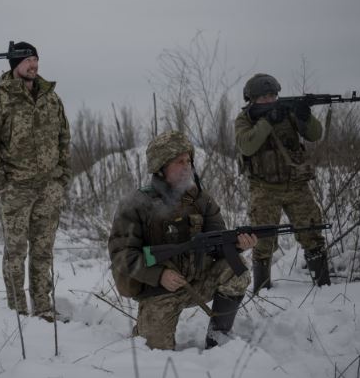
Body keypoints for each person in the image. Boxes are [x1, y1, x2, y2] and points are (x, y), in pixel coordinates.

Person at [108, 131, 255, 350]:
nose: (187, 166)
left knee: (237, 268)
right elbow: (122, 255)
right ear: (161, 166)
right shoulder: (135, 204)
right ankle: (144, 326)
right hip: (158, 291)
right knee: (154, 354)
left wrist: (237, 245)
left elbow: (218, 244)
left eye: (189, 160)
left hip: (196, 282)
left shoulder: (202, 200)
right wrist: (159, 276)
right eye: (180, 161)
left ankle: (218, 338)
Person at [0, 42, 71, 322]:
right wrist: (0, 181)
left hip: (48, 188)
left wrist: (62, 176)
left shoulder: (51, 98)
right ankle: (17, 310)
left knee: (43, 250)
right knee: (15, 252)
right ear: (15, 64)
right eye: (28, 60)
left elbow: (64, 138)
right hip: (16, 188)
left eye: (36, 59)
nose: (34, 65)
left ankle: (43, 306)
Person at [235, 73, 331, 293]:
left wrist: (305, 116)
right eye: (264, 97)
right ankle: (262, 291)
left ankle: (325, 288)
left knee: (312, 232)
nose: (270, 100)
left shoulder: (288, 112)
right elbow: (247, 146)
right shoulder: (245, 120)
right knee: (262, 242)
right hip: (264, 189)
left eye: (273, 96)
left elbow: (315, 135)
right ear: (252, 100)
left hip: (296, 186)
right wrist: (268, 121)